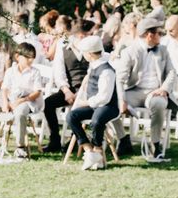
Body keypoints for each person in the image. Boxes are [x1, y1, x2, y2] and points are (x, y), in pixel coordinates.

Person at [41, 19, 122, 154]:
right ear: (79, 35)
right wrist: (66, 90)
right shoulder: (64, 47)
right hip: (70, 89)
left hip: (88, 91)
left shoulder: (94, 50)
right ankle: (54, 139)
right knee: (48, 103)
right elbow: (59, 73)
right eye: (86, 35)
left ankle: (75, 140)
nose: (89, 37)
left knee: (79, 111)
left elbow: (105, 63)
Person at [116, 17, 178, 160]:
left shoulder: (163, 50)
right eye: (159, 33)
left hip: (155, 92)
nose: (161, 36)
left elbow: (171, 72)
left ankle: (155, 144)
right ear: (150, 35)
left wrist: (164, 89)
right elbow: (120, 79)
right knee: (111, 103)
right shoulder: (129, 52)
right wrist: (121, 100)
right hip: (134, 90)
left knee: (159, 103)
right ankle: (123, 139)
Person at [0, 42, 43, 159]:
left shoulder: (35, 72)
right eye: (28, 57)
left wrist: (21, 101)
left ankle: (20, 147)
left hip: (27, 100)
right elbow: (4, 89)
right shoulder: (11, 71)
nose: (31, 60)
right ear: (17, 57)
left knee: (20, 113)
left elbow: (37, 92)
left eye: (32, 58)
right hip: (9, 98)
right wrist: (5, 103)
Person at [66, 35, 120, 171]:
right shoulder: (95, 64)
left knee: (96, 120)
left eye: (84, 53)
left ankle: (97, 149)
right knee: (71, 116)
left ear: (89, 54)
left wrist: (86, 102)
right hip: (94, 105)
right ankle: (88, 149)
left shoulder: (106, 70)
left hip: (109, 106)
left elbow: (105, 98)